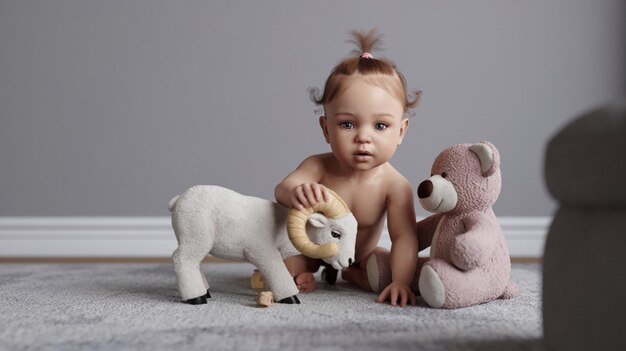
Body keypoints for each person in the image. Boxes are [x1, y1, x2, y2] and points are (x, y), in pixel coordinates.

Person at [275, 29, 421, 307]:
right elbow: (282, 189)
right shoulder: (318, 166)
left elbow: (403, 237)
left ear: (401, 131)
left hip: (360, 254)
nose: (363, 137)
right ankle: (302, 274)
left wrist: (401, 281)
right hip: (312, 250)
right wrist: (297, 192)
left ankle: (353, 274)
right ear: (326, 128)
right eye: (347, 124)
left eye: (380, 126)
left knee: (384, 270)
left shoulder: (395, 186)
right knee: (286, 266)